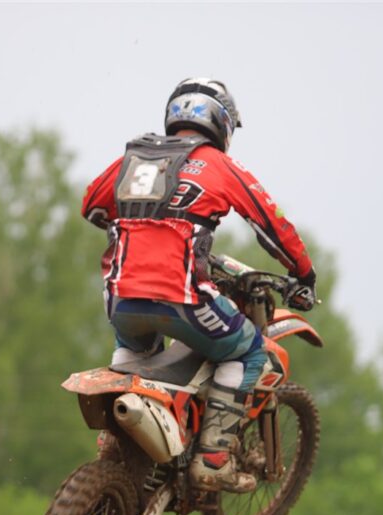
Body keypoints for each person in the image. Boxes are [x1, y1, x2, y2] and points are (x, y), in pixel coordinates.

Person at [81, 77, 317, 493]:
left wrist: (140, 222)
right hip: (181, 297)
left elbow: (92, 206)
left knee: (136, 355)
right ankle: (213, 459)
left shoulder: (133, 158)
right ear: (222, 122)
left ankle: (116, 443)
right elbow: (271, 224)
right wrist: (304, 274)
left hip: (120, 299)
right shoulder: (217, 164)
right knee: (250, 351)